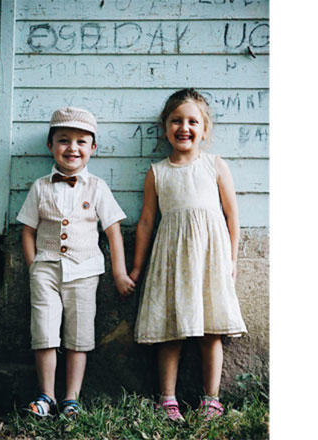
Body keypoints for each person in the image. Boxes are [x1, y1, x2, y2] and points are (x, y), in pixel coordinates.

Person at [128, 89, 247, 422]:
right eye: (176, 120)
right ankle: (167, 399)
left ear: (204, 130)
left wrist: (232, 260)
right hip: (173, 260)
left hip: (210, 258)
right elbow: (147, 222)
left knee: (212, 328)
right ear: (165, 128)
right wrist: (137, 266)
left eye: (193, 121)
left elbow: (231, 216)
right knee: (172, 327)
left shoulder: (215, 166)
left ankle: (212, 399)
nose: (184, 127)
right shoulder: (158, 172)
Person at [17, 106, 135, 418]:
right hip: (46, 271)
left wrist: (119, 273)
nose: (72, 148)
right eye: (64, 140)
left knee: (80, 336)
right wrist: (34, 267)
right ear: (50, 145)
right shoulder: (40, 187)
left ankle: (71, 398)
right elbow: (27, 230)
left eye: (81, 142)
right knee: (44, 331)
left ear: (93, 148)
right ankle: (46, 396)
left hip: (85, 272)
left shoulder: (97, 187)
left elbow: (112, 232)